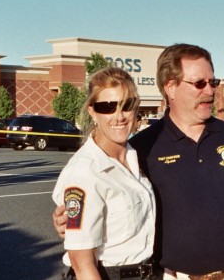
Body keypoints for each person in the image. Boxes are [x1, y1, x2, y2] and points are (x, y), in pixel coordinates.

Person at [54, 44, 224, 280]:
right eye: (199, 83)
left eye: (212, 82)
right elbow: (87, 206)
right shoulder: (143, 146)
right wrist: (71, 220)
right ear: (170, 87)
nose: (210, 91)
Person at [52, 67, 157, 280]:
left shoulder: (137, 158)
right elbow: (82, 264)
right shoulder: (85, 171)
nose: (119, 116)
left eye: (126, 106)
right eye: (107, 107)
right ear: (92, 111)